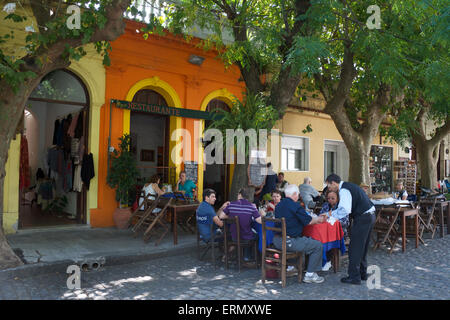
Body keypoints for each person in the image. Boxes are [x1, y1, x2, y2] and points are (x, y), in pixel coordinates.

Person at [325, 174, 376, 285]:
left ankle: (354, 277)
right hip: (369, 215)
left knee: (355, 248)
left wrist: (330, 215)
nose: (329, 188)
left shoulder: (344, 190)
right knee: (363, 247)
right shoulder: (349, 186)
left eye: (329, 186)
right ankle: (362, 273)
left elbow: (344, 210)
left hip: (363, 218)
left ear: (333, 183)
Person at [273, 184, 327, 284]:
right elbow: (309, 221)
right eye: (298, 194)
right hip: (288, 242)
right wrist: (319, 219)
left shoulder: (278, 205)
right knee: (318, 245)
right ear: (294, 194)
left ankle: (293, 267)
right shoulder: (295, 206)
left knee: (301, 239)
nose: (299, 196)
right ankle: (310, 275)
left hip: (277, 240)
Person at [219, 187, 262, 261]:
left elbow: (221, 216)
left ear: (239, 195)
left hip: (234, 236)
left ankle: (243, 256)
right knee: (257, 235)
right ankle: (248, 257)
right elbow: (259, 221)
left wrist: (231, 216)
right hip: (246, 237)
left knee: (248, 234)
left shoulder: (231, 205)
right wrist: (261, 214)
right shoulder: (251, 206)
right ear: (248, 197)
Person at [320, 190, 350, 271]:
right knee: (318, 238)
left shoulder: (341, 207)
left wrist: (333, 219)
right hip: (325, 231)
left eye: (333, 198)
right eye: (328, 198)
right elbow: (320, 215)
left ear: (337, 199)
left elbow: (346, 222)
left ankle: (328, 260)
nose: (330, 200)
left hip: (340, 233)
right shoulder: (326, 205)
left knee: (329, 240)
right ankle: (321, 260)